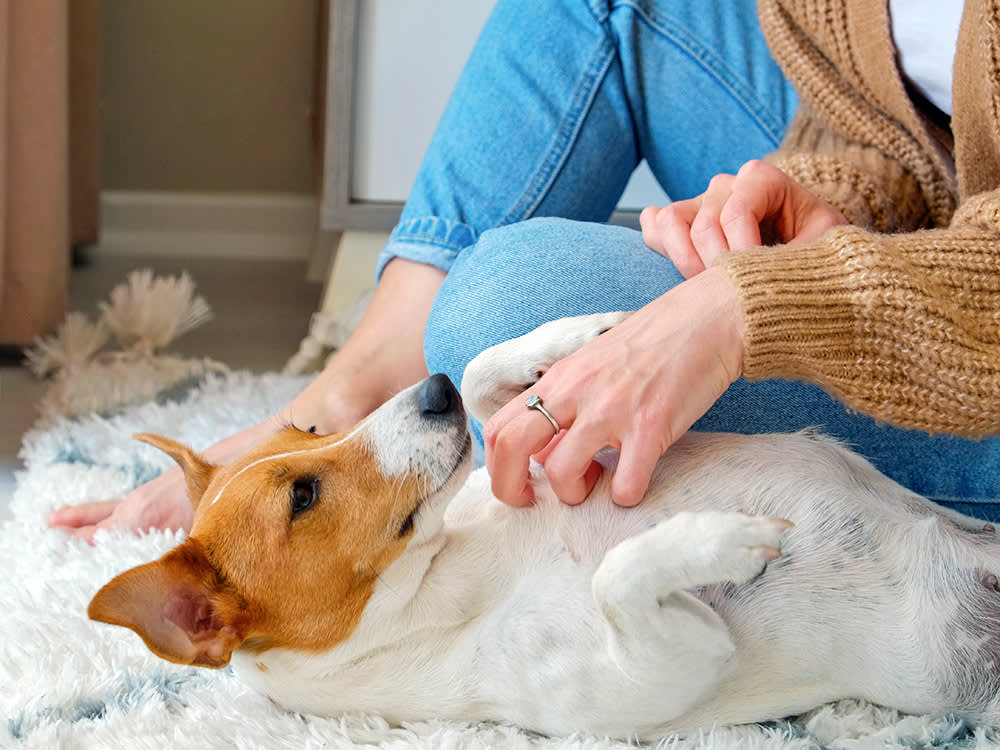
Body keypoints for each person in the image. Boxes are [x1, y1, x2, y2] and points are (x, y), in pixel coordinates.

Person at [51, 0, 1000, 542]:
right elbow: (913, 118)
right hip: (951, 230)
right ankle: (353, 395)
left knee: (505, 317)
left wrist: (752, 308)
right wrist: (813, 195)